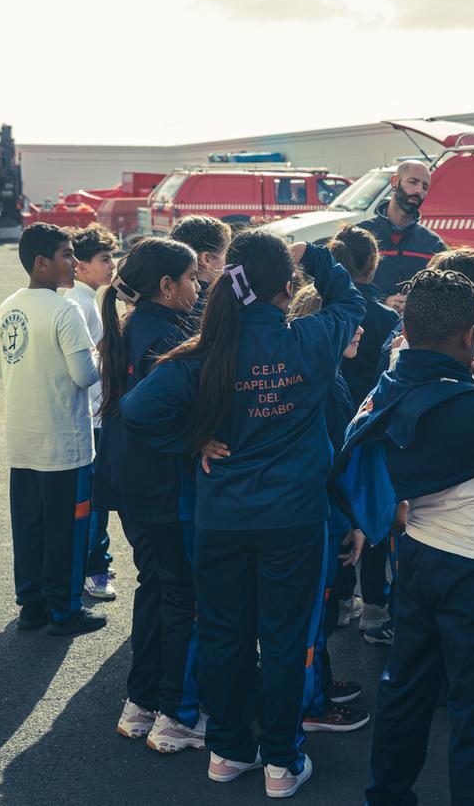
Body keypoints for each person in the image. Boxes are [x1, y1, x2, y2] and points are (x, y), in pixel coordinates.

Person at [121, 230, 364, 798]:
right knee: (285, 642)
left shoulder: (205, 352)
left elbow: (135, 412)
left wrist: (192, 439)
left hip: (222, 521)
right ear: (287, 287)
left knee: (226, 636)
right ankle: (281, 761)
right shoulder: (311, 338)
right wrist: (318, 256)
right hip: (295, 522)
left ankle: (228, 751)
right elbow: (351, 302)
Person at [331, 268, 474, 805]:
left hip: (417, 558)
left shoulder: (386, 390)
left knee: (404, 691)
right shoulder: (473, 407)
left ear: (407, 328)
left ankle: (387, 795)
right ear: (467, 337)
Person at [94, 238, 206, 751]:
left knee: (156, 588)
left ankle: (141, 704)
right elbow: (150, 415)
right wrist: (195, 440)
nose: (199, 285)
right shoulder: (169, 335)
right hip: (162, 486)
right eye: (191, 278)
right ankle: (175, 716)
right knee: (181, 595)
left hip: (131, 484)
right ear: (167, 286)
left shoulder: (129, 325)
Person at [0, 223, 106, 637]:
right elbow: (84, 376)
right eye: (66, 254)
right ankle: (65, 609)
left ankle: (33, 605)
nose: (74, 262)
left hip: (22, 440)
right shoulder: (66, 310)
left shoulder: (8, 306)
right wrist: (100, 354)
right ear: (42, 263)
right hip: (65, 445)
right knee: (67, 531)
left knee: (30, 528)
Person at [285, 285, 370, 734]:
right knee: (313, 619)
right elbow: (336, 462)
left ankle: (319, 684)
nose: (359, 328)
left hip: (292, 508)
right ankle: (315, 705)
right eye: (344, 322)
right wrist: (354, 521)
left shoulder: (299, 372)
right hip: (321, 513)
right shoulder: (330, 384)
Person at [327, 225, 400, 638]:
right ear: (373, 266)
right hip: (367, 427)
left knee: (339, 512)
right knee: (372, 513)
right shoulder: (385, 317)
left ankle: (338, 599)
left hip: (330, 425)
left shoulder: (320, 306)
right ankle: (374, 606)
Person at [65, 223, 119, 601]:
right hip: (94, 416)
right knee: (96, 499)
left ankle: (93, 561)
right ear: (80, 266)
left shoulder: (88, 299)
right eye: (104, 259)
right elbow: (90, 367)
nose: (112, 264)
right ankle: (94, 568)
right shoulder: (81, 304)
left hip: (95, 414)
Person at [356, 161, 446, 311]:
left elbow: (445, 295)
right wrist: (382, 301)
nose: (418, 191)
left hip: (416, 331)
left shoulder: (434, 245)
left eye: (425, 187)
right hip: (366, 330)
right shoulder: (360, 235)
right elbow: (343, 286)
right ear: (394, 182)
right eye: (413, 182)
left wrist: (417, 303)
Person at [170, 214, 231, 317]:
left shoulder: (166, 295)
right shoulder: (215, 303)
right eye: (227, 253)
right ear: (206, 259)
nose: (229, 261)